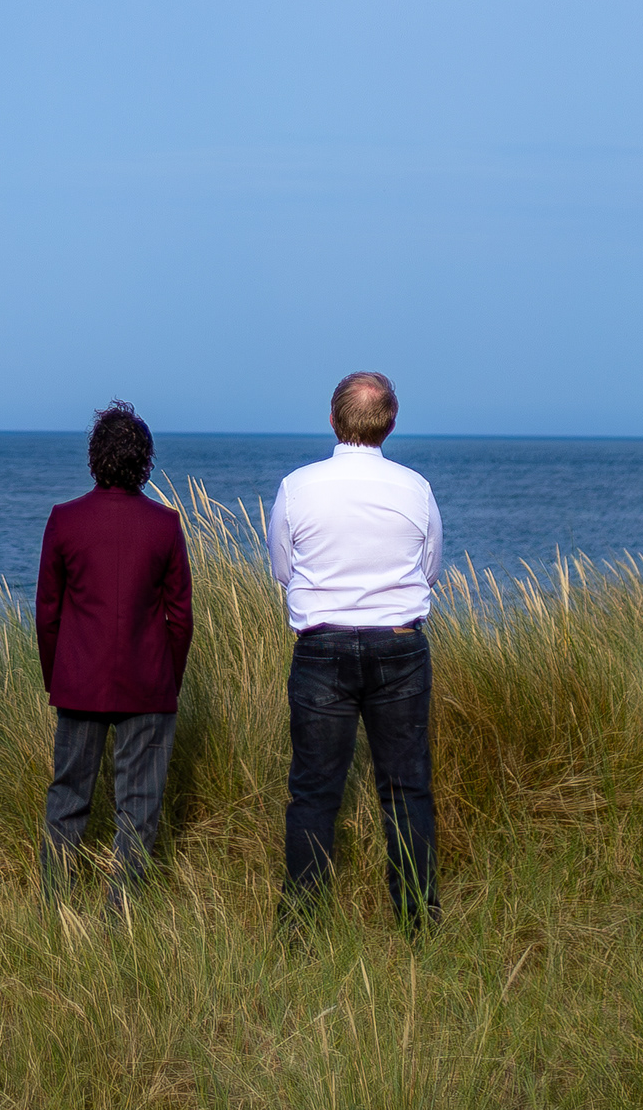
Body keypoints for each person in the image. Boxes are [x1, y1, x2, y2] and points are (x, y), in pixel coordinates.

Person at [269, 371, 443, 925]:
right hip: (399, 644)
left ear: (332, 419)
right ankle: (417, 919)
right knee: (407, 788)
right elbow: (429, 569)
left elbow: (282, 569)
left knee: (315, 791)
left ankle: (301, 924)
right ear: (391, 423)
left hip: (322, 645)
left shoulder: (298, 486)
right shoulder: (414, 487)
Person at [35, 401, 194, 907]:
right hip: (148, 682)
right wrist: (169, 677)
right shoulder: (165, 525)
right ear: (144, 461)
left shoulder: (64, 521)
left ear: (95, 458)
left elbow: (48, 614)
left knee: (67, 797)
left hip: (79, 680)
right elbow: (180, 617)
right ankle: (119, 912)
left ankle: (53, 906)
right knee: (139, 804)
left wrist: (55, 676)